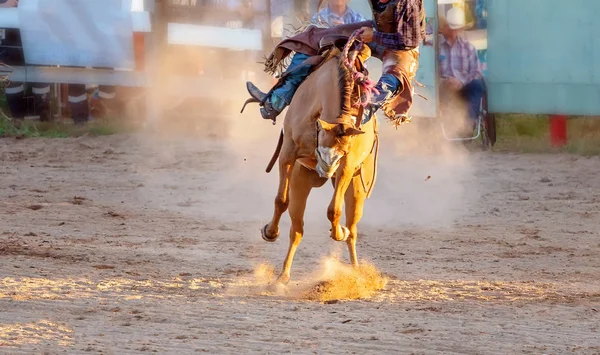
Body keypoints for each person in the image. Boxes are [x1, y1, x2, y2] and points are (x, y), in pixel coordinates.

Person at [245, 0, 426, 124]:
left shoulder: (408, 2)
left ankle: (364, 111)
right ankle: (277, 100)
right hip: (376, 33)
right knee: (318, 38)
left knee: (394, 72)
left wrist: (375, 36)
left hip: (402, 46)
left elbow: (410, 41)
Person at [0, 0, 52, 123]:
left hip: (36, 31)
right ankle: (17, 120)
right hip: (9, 35)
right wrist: (3, 5)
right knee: (12, 79)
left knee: (40, 75)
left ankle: (44, 119)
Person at [438, 7, 484, 128]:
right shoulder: (436, 48)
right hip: (444, 88)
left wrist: (461, 82)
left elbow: (476, 71)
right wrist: (445, 82)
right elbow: (430, 73)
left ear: (460, 30)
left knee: (477, 85)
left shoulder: (468, 48)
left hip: (464, 86)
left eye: (456, 29)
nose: (453, 32)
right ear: (445, 28)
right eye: (450, 28)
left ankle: (467, 124)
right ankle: (450, 127)